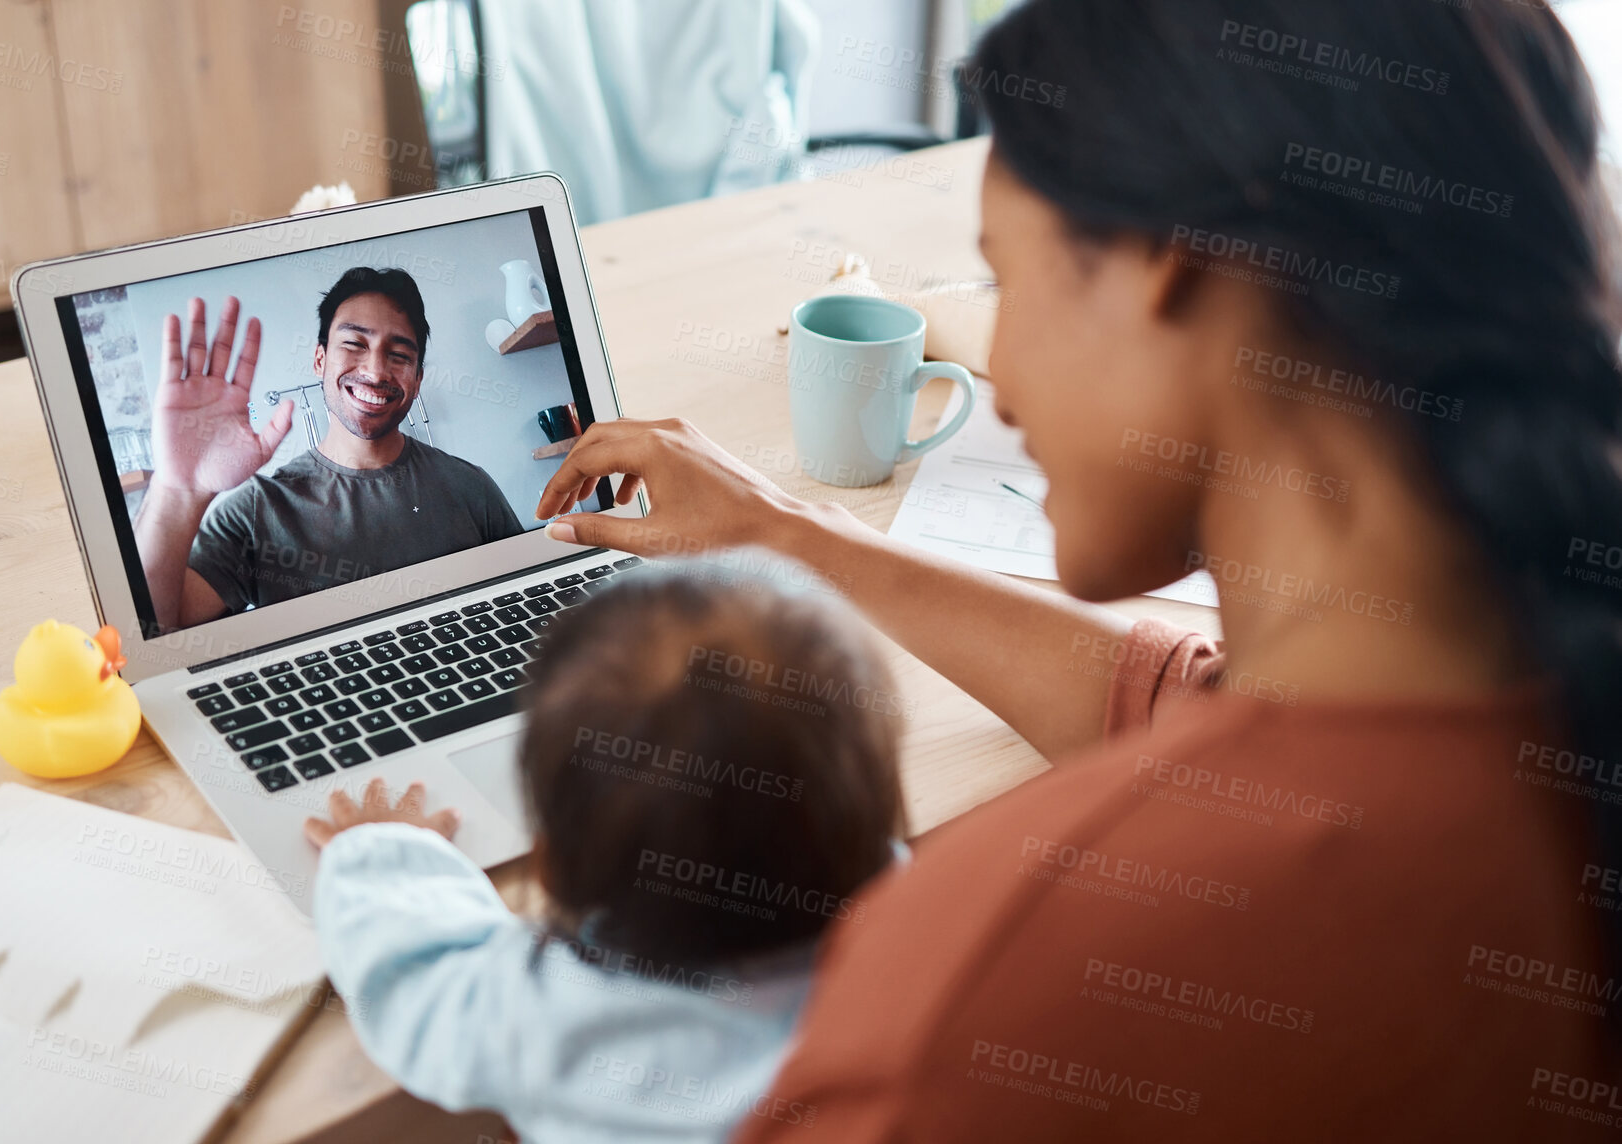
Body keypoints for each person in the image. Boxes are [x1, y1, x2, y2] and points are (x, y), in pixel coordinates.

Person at [527, 1, 1622, 1138]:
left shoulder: (986, 1001)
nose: (996, 379)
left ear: (1167, 269)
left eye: (1008, 283)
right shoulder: (1526, 693)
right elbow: (1218, 717)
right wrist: (790, 531)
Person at [302, 565, 908, 1144]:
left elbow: (412, 986)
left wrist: (378, 849)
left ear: (551, 870)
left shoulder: (548, 1017)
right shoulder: (926, 959)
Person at [133, 267, 521, 631]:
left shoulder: (470, 487)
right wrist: (178, 490)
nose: (375, 371)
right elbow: (156, 631)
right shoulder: (257, 510)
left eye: (399, 355)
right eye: (354, 344)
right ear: (320, 360)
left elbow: (526, 600)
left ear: (417, 380)